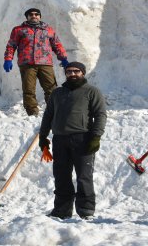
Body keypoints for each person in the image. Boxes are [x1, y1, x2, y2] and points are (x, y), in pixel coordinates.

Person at [38, 61, 107, 220]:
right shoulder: (57, 93)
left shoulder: (91, 91)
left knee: (84, 176)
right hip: (60, 140)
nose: (72, 74)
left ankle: (86, 211)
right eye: (69, 71)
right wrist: (43, 137)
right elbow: (48, 116)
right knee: (61, 176)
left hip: (83, 139)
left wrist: (96, 137)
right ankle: (62, 210)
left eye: (76, 71)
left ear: (83, 73)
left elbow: (101, 115)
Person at [3, 8, 70, 116]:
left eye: (36, 14)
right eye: (31, 14)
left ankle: (53, 112)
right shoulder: (19, 30)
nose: (34, 16)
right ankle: (32, 113)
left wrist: (63, 58)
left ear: (40, 16)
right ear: (27, 17)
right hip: (27, 64)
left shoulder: (48, 30)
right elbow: (11, 45)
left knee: (51, 89)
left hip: (45, 63)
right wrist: (8, 59)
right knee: (29, 90)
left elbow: (56, 45)